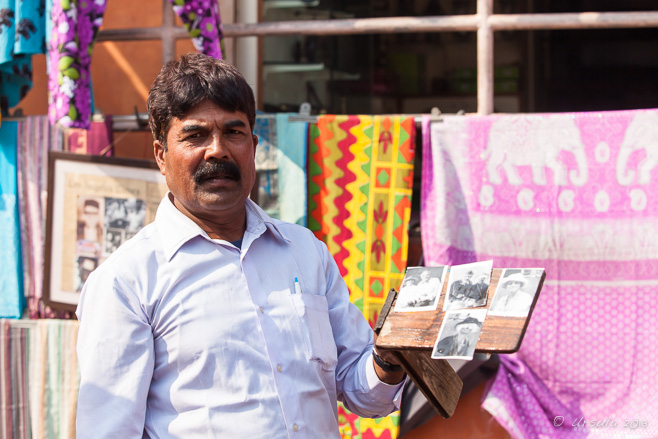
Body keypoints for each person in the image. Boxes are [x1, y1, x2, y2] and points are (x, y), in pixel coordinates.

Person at [75, 53, 406, 439]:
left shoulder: (304, 251)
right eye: (195, 135)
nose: (217, 150)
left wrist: (391, 357)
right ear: (161, 155)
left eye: (233, 132)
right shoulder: (126, 281)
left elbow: (366, 396)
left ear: (253, 145)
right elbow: (108, 431)